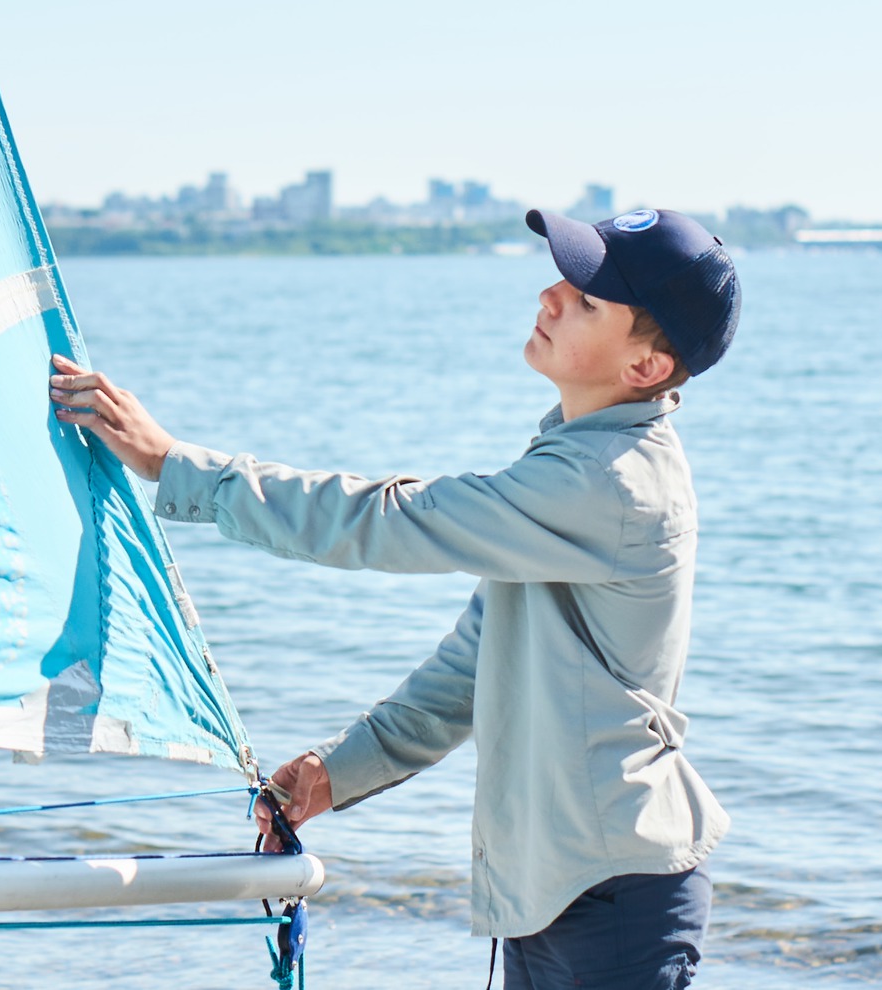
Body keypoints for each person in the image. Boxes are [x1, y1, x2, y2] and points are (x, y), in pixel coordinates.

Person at [50, 207, 741, 989]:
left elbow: (390, 520)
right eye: (562, 280)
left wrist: (175, 465)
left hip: (611, 896)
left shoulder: (607, 482)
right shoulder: (573, 465)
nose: (549, 296)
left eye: (585, 300)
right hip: (563, 885)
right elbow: (472, 669)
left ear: (645, 368)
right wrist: (340, 768)